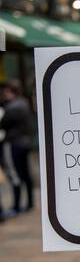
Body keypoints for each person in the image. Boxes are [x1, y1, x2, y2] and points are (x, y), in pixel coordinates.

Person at [0, 79, 34, 215]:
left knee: (14, 174)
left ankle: (16, 206)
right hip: (25, 143)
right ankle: (30, 203)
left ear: (10, 92)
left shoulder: (10, 107)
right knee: (26, 174)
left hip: (13, 143)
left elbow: (2, 124)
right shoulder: (25, 104)